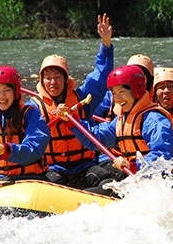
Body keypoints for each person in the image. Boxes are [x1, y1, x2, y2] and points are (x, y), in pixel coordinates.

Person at [56, 65, 173, 195]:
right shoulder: (123, 118)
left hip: (157, 183)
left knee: (98, 191)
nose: (117, 99)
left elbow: (163, 155)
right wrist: (72, 120)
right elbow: (96, 137)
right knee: (99, 188)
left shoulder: (154, 119)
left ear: (136, 90)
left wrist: (135, 165)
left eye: (121, 92)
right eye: (114, 94)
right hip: (135, 179)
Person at [31, 13, 114, 188]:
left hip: (84, 166)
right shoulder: (33, 108)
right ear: (41, 80)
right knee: (51, 185)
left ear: (66, 79)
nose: (53, 82)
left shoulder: (83, 98)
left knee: (107, 182)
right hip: (53, 168)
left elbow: (101, 77)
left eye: (57, 77)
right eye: (48, 77)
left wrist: (105, 45)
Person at [93, 53, 154, 121]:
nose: (137, 80)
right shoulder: (111, 96)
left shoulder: (157, 102)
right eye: (134, 74)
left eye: (142, 75)